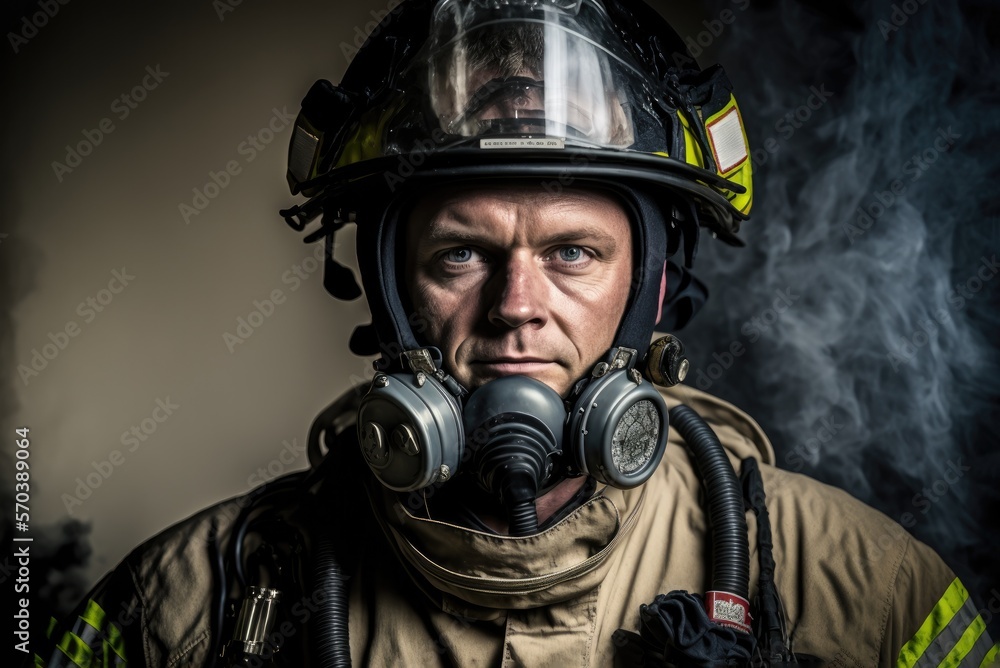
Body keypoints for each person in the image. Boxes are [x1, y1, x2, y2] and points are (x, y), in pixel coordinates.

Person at [29, 0, 997, 666]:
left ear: (655, 288)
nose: (515, 306)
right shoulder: (191, 604)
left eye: (573, 252)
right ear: (385, 289)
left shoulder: (865, 589)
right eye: (460, 254)